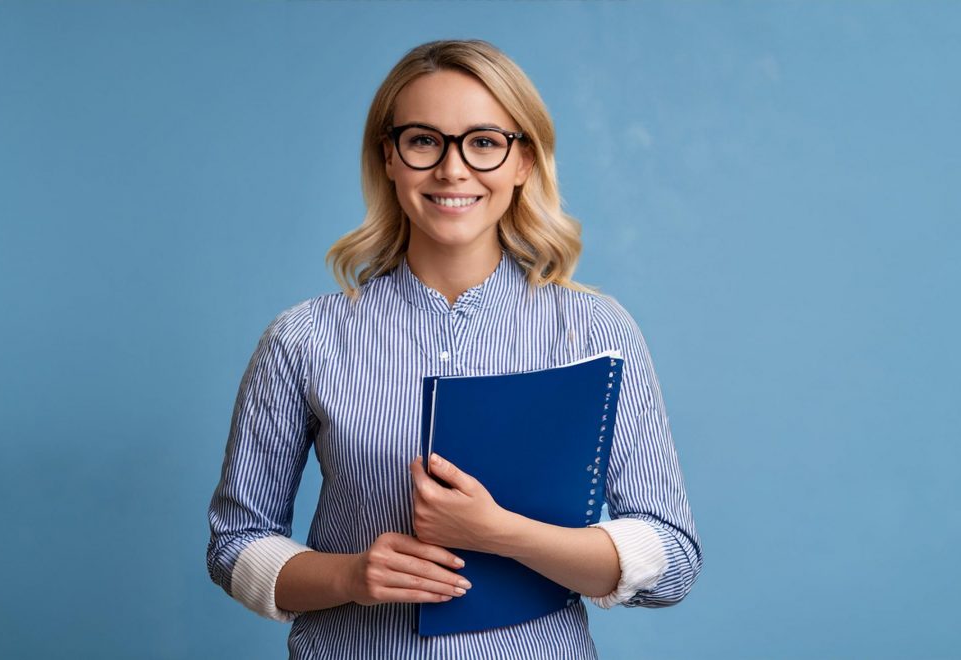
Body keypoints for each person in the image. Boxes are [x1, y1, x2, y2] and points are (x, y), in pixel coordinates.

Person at [206, 39, 702, 659]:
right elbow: (235, 543)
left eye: (485, 142)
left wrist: (503, 534)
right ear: (389, 156)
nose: (453, 170)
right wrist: (351, 576)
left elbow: (672, 559)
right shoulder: (304, 339)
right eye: (424, 141)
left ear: (524, 161)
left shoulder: (595, 330)